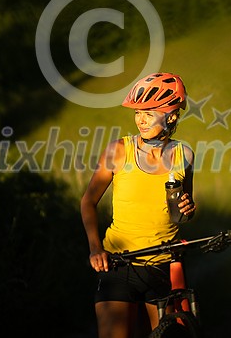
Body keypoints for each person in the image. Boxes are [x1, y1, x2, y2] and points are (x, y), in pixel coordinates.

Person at [80, 72, 196, 338]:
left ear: (171, 116)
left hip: (163, 265)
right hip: (119, 264)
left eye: (149, 112)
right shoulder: (119, 151)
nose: (140, 120)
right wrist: (95, 249)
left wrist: (189, 210)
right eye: (138, 112)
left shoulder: (184, 154)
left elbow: (183, 213)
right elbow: (88, 201)